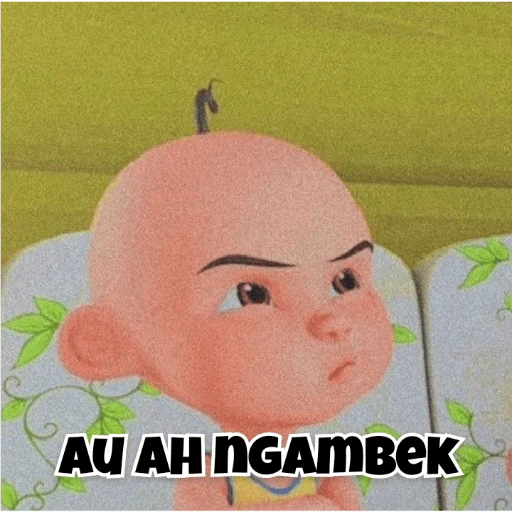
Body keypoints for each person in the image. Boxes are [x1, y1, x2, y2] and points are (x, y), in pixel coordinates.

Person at [58, 131, 394, 511]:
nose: (332, 322)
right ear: (106, 344)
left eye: (345, 281)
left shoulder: (325, 468)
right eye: (251, 295)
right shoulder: (207, 475)